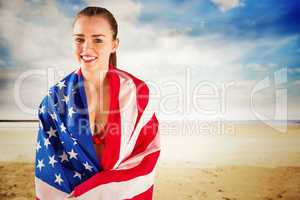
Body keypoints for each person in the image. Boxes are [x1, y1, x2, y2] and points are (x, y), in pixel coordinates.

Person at [34, 6, 160, 200]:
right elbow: (51, 165)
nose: (86, 47)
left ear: (114, 44)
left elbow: (145, 155)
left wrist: (97, 192)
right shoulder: (54, 98)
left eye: (98, 40)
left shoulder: (137, 93)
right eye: (79, 39)